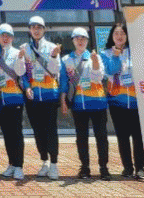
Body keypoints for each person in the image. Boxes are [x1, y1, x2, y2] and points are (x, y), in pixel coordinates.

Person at [60, 27, 110, 181]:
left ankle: (104, 168)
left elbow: (98, 77)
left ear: (87, 41)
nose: (80, 41)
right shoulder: (66, 60)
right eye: (77, 38)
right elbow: (64, 82)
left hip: (98, 103)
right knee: (81, 137)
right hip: (78, 105)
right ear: (73, 41)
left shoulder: (96, 57)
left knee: (101, 137)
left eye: (83, 38)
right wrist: (63, 101)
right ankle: (85, 167)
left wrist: (94, 62)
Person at [102, 22, 144, 179]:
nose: (119, 36)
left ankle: (140, 168)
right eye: (116, 33)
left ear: (127, 36)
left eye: (122, 33)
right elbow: (110, 70)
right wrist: (115, 56)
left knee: (138, 135)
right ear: (112, 36)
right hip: (116, 101)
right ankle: (127, 167)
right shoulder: (105, 54)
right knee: (122, 136)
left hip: (137, 101)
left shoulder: (136, 52)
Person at [21, 15, 62, 180]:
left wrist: (54, 56)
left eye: (39, 27)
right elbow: (22, 73)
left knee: (51, 131)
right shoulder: (24, 48)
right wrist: (26, 87)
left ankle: (54, 164)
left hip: (49, 95)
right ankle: (44, 161)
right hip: (33, 98)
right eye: (33, 27)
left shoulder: (52, 47)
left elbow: (56, 70)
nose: (36, 30)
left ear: (44, 30)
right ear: (30, 30)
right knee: (38, 131)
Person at [0, 23, 28, 180]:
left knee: (16, 133)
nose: (5, 38)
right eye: (2, 35)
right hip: (0, 100)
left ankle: (19, 166)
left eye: (8, 35)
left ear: (12, 38)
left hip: (15, 98)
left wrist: (20, 58)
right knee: (7, 133)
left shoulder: (16, 53)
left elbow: (21, 72)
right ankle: (12, 164)